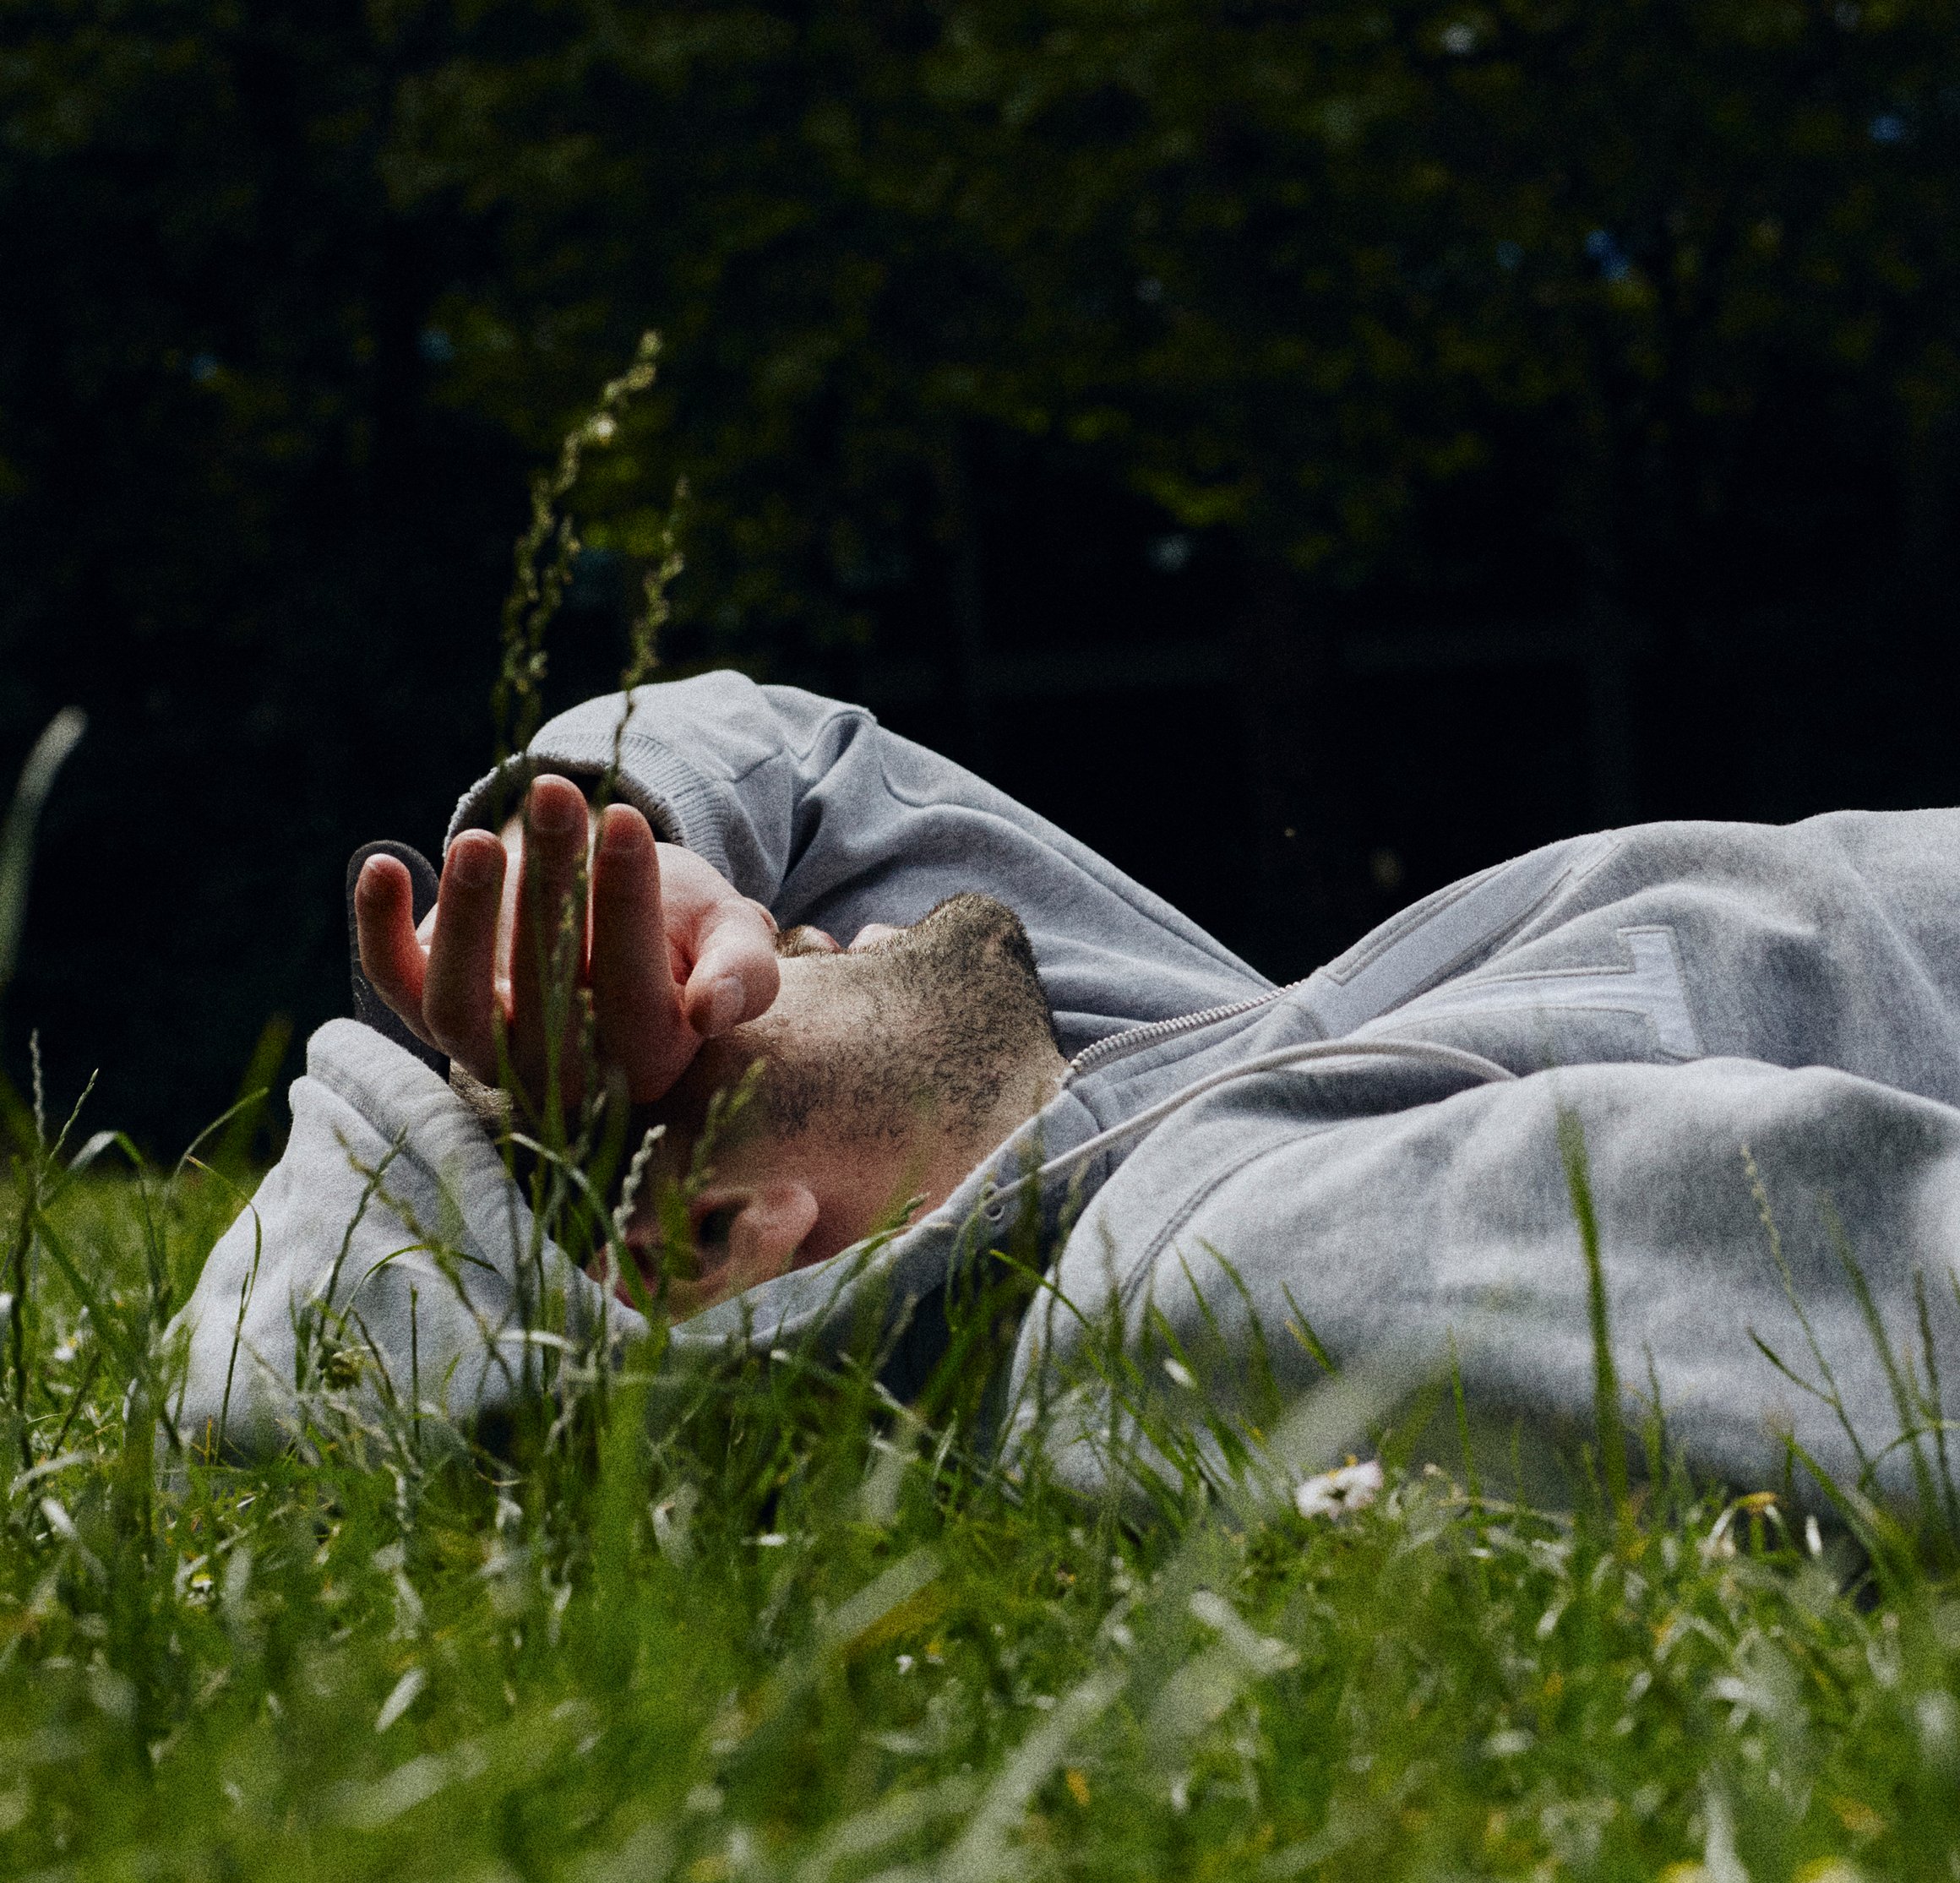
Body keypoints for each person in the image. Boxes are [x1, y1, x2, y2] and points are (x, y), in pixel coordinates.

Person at [169, 672, 1960, 1512]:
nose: (790, 917)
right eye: (767, 973)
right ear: (717, 1231)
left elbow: (790, 750)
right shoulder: (1216, 1265)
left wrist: (626, 851)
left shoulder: (1131, 1067)